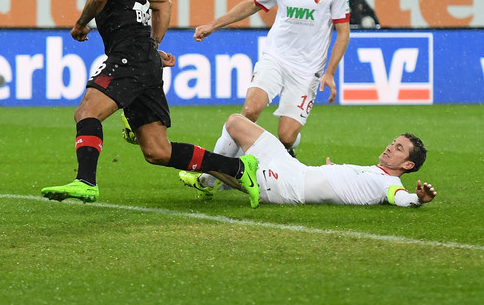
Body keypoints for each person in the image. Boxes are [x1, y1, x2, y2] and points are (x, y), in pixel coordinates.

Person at [40, 0, 261, 207]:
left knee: (86, 113)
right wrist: (151, 47)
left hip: (129, 57)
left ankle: (86, 181)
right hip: (143, 59)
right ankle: (238, 168)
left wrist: (81, 24)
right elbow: (163, 5)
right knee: (158, 151)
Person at [191, 0, 349, 172]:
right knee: (250, 111)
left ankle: (283, 151)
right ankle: (214, 174)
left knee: (286, 135)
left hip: (307, 71)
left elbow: (343, 33)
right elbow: (252, 5)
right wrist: (214, 24)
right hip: (275, 58)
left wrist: (330, 72)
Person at [180, 114, 435, 207]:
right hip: (293, 168)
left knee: (213, 160)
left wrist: (418, 199)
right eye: (393, 142)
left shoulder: (388, 185)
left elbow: (400, 197)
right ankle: (208, 180)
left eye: (399, 148)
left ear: (407, 165)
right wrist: (333, 171)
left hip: (287, 187)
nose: (391, 147)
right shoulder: (375, 171)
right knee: (236, 122)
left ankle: (209, 176)